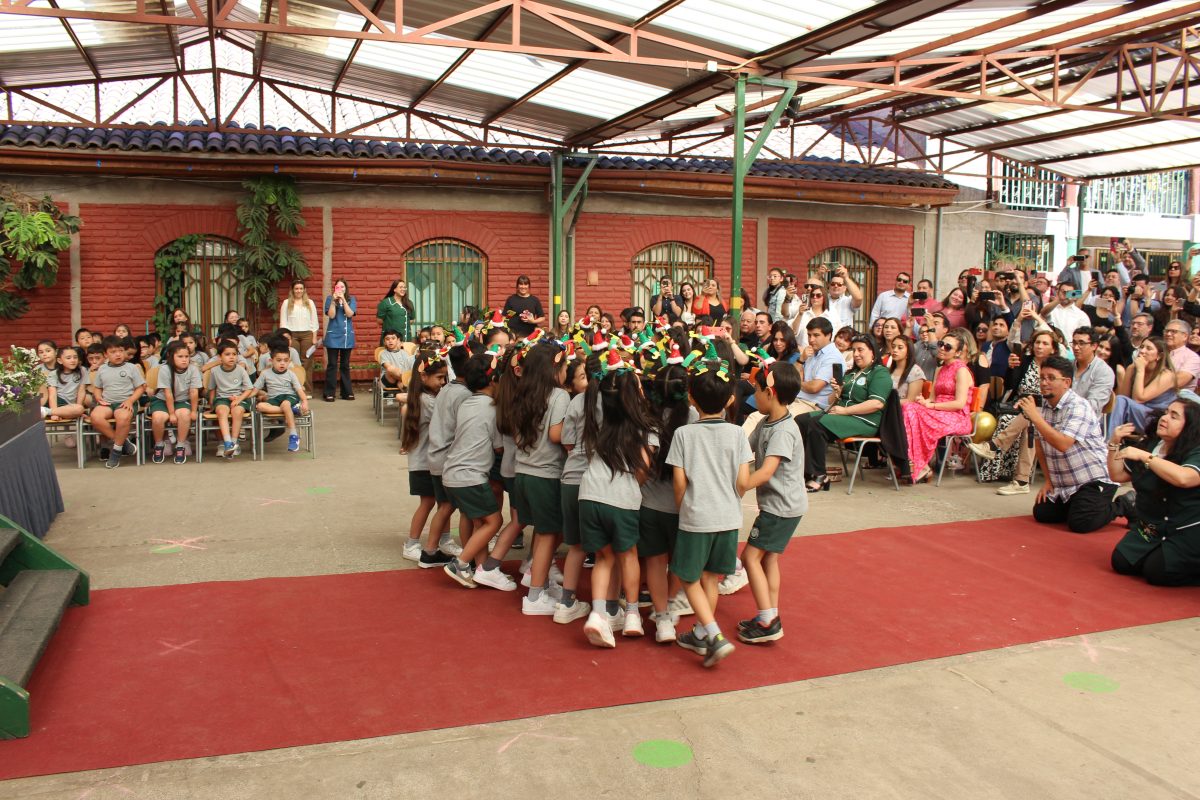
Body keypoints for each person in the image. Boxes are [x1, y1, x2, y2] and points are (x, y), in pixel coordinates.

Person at [667, 357, 753, 668]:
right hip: (729, 517)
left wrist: (683, 509)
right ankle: (703, 631)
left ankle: (714, 635)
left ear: (691, 397)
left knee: (687, 576)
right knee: (710, 578)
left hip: (696, 515)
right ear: (731, 399)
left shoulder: (684, 435)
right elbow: (743, 482)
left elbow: (680, 483)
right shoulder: (738, 434)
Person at [579, 352, 657, 646]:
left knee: (603, 557)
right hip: (621, 498)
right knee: (628, 556)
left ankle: (599, 615)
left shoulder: (599, 423)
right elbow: (642, 470)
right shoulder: (645, 429)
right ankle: (633, 613)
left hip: (589, 495)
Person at [738, 361, 806, 644]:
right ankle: (770, 613)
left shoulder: (783, 431)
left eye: (758, 390)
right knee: (768, 560)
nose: (755, 395)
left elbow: (766, 471)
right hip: (782, 506)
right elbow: (745, 449)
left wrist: (738, 487)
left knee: (749, 557)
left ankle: (768, 620)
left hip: (781, 508)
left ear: (772, 393)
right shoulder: (767, 423)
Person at [442, 353, 517, 592]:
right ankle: (461, 563)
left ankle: (482, 568)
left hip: (453, 472)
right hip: (470, 475)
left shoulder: (468, 402)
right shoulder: (492, 408)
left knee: (479, 522)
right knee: (495, 520)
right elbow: (499, 446)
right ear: (494, 380)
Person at [1022, 356, 1119, 533]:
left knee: (1081, 524)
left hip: (1092, 479)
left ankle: (1123, 505)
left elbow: (1063, 444)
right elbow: (1039, 445)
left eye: (1051, 378)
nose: (1044, 383)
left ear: (1066, 382)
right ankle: (1078, 506)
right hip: (1065, 483)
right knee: (1042, 513)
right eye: (1042, 377)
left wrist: (1035, 417)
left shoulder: (1079, 406)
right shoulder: (1044, 406)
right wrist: (1049, 482)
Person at [1109, 396, 1200, 585]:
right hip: (1152, 526)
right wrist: (1114, 443)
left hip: (1186, 529)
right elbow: (1117, 476)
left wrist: (1145, 457)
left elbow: (1184, 478)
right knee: (1121, 562)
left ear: (1189, 426)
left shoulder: (1195, 450)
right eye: (1166, 412)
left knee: (1156, 572)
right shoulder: (1152, 444)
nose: (1164, 418)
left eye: (1174, 416)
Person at [510, 342, 570, 616]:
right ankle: (534, 597)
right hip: (546, 474)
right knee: (547, 535)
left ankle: (540, 581)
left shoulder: (523, 393)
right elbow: (557, 435)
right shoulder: (559, 396)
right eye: (566, 367)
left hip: (523, 472)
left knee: (547, 532)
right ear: (554, 369)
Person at [639, 362, 696, 640]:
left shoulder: (646, 416)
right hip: (682, 505)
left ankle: (661, 618)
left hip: (649, 503)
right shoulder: (693, 416)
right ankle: (672, 605)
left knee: (654, 561)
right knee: (679, 562)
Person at [795, 335, 891, 491]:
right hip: (844, 416)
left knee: (816, 424)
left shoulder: (879, 373)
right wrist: (837, 391)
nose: (856, 354)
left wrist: (845, 411)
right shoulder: (851, 373)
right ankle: (805, 472)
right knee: (802, 420)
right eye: (854, 350)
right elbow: (833, 399)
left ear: (873, 352)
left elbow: (877, 403)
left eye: (861, 350)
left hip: (863, 420)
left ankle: (819, 475)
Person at [975, 330, 1057, 492]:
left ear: (1053, 349)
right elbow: (1011, 386)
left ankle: (994, 445)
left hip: (1048, 410)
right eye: (1037, 342)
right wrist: (1011, 369)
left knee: (1031, 415)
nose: (1039, 346)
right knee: (1029, 423)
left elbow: (1055, 394)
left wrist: (1030, 403)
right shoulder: (1025, 361)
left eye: (1045, 343)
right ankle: (1021, 481)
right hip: (1021, 408)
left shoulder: (1056, 367)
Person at [557, 353, 598, 627]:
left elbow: (567, 442)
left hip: (571, 479)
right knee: (608, 552)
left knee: (576, 547)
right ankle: (608, 607)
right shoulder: (618, 401)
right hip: (600, 485)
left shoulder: (576, 401)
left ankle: (566, 601)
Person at [902, 330, 973, 483]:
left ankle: (918, 464)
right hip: (938, 411)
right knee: (909, 407)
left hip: (957, 416)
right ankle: (918, 464)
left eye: (948, 347)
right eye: (941, 344)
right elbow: (932, 398)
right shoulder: (940, 369)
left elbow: (959, 403)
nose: (942, 348)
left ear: (958, 352)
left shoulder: (961, 370)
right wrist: (924, 402)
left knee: (910, 410)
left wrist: (932, 406)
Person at [425, 344, 473, 567]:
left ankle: (431, 549)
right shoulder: (464, 394)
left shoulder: (446, 389)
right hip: (447, 456)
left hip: (436, 453)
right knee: (451, 507)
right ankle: (432, 550)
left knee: (444, 505)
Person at [400, 350, 450, 563]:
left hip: (425, 461)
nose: (443, 382)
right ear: (423, 376)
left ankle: (444, 539)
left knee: (442, 502)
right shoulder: (428, 401)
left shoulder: (423, 397)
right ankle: (411, 543)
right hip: (424, 463)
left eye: (444, 377)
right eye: (439, 378)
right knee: (429, 502)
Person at [89, 335, 146, 469]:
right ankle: (122, 442)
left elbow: (140, 388)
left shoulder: (131, 367)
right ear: (105, 354)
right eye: (113, 352)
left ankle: (115, 452)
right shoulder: (102, 369)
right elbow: (97, 388)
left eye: (120, 350)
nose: (118, 354)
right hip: (107, 403)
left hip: (125, 402)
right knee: (95, 417)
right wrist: (98, 398)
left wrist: (130, 400)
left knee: (123, 417)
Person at [149, 341, 201, 464]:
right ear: (171, 357)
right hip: (162, 400)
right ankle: (159, 444)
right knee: (158, 418)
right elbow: (168, 393)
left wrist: (194, 411)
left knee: (184, 415)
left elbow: (194, 392)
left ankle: (180, 445)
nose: (184, 360)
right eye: (180, 357)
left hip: (182, 400)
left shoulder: (193, 369)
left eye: (187, 356)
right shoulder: (165, 369)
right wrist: (171, 413)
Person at [1112, 337, 1177, 432]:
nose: (1142, 351)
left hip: (1156, 418)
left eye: (1149, 348)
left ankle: (1108, 441)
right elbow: (1123, 398)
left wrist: (1140, 370)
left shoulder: (1167, 375)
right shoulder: (1132, 369)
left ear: (1160, 355)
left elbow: (1138, 399)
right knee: (1118, 401)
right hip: (1136, 413)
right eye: (1141, 347)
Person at [253, 343, 309, 454]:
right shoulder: (265, 373)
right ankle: (292, 411)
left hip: (289, 397)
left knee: (285, 404)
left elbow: (299, 390)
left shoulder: (291, 374)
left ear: (289, 361)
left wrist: (305, 401)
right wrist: (241, 397)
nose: (282, 363)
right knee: (260, 406)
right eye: (279, 360)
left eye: (285, 360)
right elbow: (254, 390)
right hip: (273, 399)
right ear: (271, 360)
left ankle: (293, 435)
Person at [208, 340, 254, 459]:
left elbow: (249, 389)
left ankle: (234, 442)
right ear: (220, 357)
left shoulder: (241, 370)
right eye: (227, 354)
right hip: (222, 398)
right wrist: (211, 404)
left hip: (239, 398)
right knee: (222, 411)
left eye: (234, 354)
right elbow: (212, 389)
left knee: (237, 411)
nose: (231, 357)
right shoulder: (214, 371)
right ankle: (227, 443)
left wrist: (239, 399)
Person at [323, 278, 357, 402]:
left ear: (346, 288)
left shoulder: (351, 299)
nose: (340, 289)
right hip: (333, 337)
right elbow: (331, 315)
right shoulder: (329, 299)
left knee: (345, 365)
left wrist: (343, 300)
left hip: (347, 337)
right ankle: (329, 392)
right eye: (338, 287)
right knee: (332, 365)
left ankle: (346, 392)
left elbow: (349, 314)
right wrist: (334, 300)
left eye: (342, 287)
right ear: (334, 289)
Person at [1068, 327, 1116, 416]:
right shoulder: (1067, 366)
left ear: (1094, 346)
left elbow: (1093, 405)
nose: (1076, 347)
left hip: (1086, 420)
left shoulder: (1104, 372)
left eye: (1081, 343)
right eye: (1074, 343)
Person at [797, 317, 839, 412]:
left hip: (813, 406)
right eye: (809, 335)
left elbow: (814, 387)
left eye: (816, 335)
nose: (811, 340)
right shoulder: (809, 352)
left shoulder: (833, 357)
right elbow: (793, 376)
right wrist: (801, 360)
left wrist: (797, 383)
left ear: (828, 335)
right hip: (797, 400)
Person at [823, 264, 864, 330]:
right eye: (833, 284)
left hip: (842, 338)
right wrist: (819, 274)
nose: (835, 286)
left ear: (845, 288)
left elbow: (858, 298)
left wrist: (846, 278)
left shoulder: (848, 301)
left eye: (839, 284)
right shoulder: (822, 299)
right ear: (829, 286)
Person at [1163, 320, 1200, 391]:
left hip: (1177, 399)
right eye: (1166, 331)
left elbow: (1177, 382)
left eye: (1173, 331)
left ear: (1185, 336)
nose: (1168, 334)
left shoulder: (1193, 357)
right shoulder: (1156, 351)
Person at [376, 279, 414, 345]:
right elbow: (379, 320)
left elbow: (411, 320)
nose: (403, 289)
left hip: (406, 339)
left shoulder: (409, 303)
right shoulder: (386, 303)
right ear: (394, 289)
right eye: (400, 287)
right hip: (390, 340)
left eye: (404, 287)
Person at [888, 336, 925, 403]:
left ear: (908, 351)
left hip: (903, 410)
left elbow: (911, 401)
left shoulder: (916, 372)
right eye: (893, 347)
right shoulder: (889, 369)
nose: (895, 350)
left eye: (900, 348)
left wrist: (887, 403)